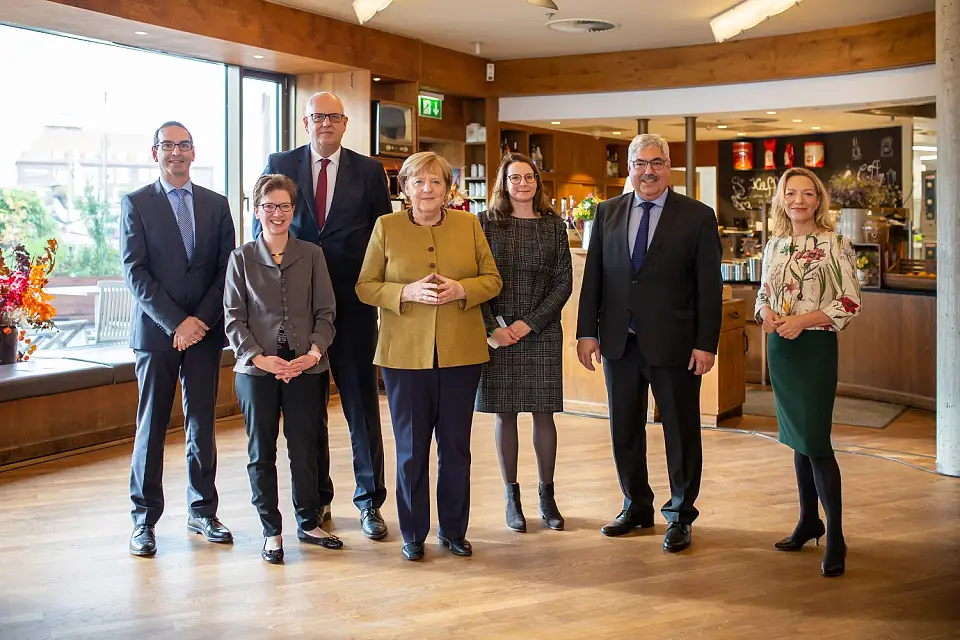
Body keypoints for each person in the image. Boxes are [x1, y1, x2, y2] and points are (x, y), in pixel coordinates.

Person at [576, 133, 722, 553]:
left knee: (680, 431)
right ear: (629, 168)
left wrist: (706, 343)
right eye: (640, 164)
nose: (649, 171)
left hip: (676, 343)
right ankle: (636, 505)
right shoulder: (607, 212)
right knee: (624, 428)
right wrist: (587, 331)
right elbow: (595, 277)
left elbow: (709, 287)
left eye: (657, 163)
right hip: (619, 342)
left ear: (669, 167)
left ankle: (680, 514)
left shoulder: (697, 216)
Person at [356, 151, 502, 561]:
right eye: (418, 181)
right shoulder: (386, 227)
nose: (427, 189)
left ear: (448, 189)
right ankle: (413, 533)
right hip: (403, 357)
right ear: (405, 187)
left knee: (455, 447)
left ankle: (453, 531)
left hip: (461, 354)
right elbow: (365, 286)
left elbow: (492, 280)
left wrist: (462, 289)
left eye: (436, 181)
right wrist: (405, 291)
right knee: (411, 449)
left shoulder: (469, 224)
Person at [259, 91, 392, 539]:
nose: (326, 124)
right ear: (306, 122)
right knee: (308, 409)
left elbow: (383, 237)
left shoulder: (369, 171)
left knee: (360, 406)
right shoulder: (280, 163)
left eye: (334, 116)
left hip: (353, 305)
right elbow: (265, 229)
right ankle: (317, 498)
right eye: (318, 117)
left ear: (345, 123)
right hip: (297, 309)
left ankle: (370, 501)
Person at [121, 121, 236, 557]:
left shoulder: (216, 204)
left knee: (202, 424)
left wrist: (199, 321)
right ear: (155, 153)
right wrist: (176, 323)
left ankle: (202, 510)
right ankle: (143, 519)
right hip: (157, 334)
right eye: (168, 145)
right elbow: (135, 271)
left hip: (204, 333)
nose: (176, 152)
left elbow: (227, 269)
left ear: (194, 152)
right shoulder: (136, 203)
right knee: (151, 426)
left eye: (183, 145)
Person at [224, 174, 342, 564]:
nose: (277, 214)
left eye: (284, 206)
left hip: (307, 368)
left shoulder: (312, 254)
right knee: (261, 452)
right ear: (257, 210)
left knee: (306, 449)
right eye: (269, 206)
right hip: (256, 371)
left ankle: (308, 522)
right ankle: (271, 531)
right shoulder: (241, 258)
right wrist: (259, 357)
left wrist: (313, 353)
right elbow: (233, 318)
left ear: (294, 210)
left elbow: (326, 312)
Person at [754, 167, 861, 578]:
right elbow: (763, 293)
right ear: (781, 200)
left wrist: (803, 320)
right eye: (791, 193)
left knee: (815, 441)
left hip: (814, 348)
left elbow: (850, 301)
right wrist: (764, 313)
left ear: (819, 200)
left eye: (807, 194)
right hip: (780, 347)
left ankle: (836, 537)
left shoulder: (836, 244)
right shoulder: (775, 245)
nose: (798, 200)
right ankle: (808, 521)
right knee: (798, 439)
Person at [476, 152, 573, 533]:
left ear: (537, 182)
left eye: (529, 177)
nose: (522, 184)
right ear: (503, 183)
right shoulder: (485, 223)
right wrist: (492, 328)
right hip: (499, 333)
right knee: (505, 414)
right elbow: (475, 278)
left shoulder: (553, 225)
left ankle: (547, 496)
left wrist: (529, 323)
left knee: (544, 413)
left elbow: (563, 283)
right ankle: (511, 498)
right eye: (514, 178)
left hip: (542, 331)